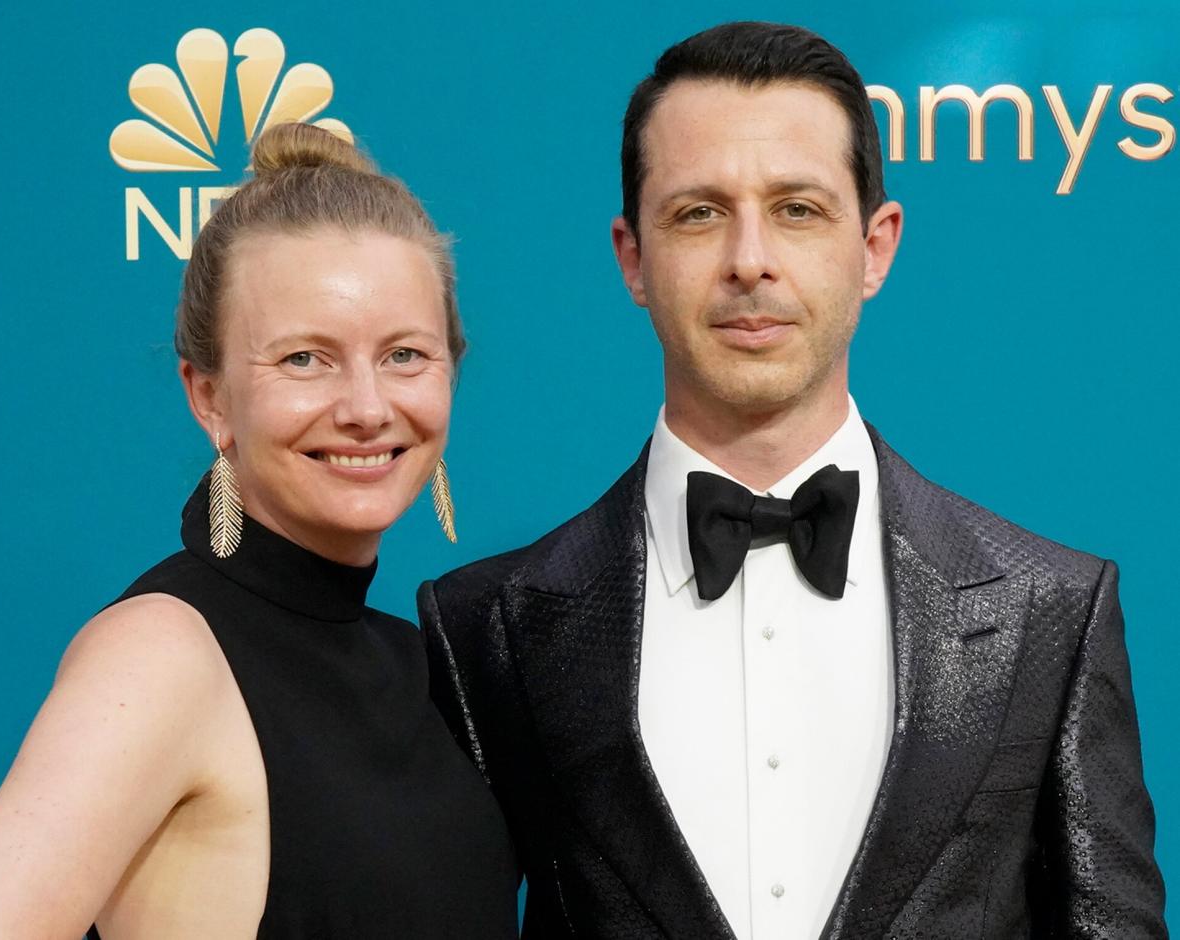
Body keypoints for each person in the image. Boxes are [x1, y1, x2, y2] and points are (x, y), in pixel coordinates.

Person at [419, 21, 1167, 939]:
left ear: (876, 246)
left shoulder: (1051, 608)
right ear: (632, 258)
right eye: (698, 213)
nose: (749, 260)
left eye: (797, 210)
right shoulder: (485, 627)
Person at [0, 123, 517, 938]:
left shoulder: (414, 661)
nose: (365, 408)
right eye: (304, 360)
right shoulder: (162, 653)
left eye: (404, 356)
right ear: (209, 398)